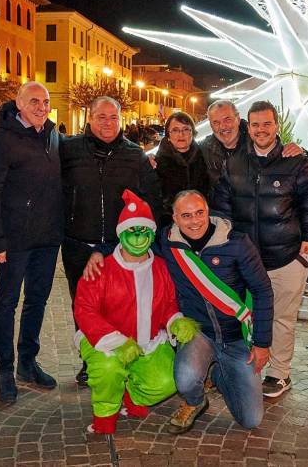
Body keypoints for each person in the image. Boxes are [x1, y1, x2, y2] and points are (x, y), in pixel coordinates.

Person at [84, 190, 273, 433]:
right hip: (199, 334)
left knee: (251, 420)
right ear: (174, 217)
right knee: (183, 379)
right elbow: (134, 237)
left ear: (208, 211)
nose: (195, 221)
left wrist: (262, 343)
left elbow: (262, 291)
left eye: (199, 213)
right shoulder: (167, 241)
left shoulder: (236, 243)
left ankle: (215, 374)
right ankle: (195, 400)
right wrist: (99, 251)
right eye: (186, 215)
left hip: (236, 337)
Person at [211, 100, 308, 399]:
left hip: (286, 256)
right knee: (243, 314)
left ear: (276, 126)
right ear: (248, 127)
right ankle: (248, 368)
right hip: (246, 259)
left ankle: (279, 373)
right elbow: (222, 205)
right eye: (256, 124)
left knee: (282, 318)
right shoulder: (234, 163)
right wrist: (224, 243)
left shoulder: (296, 161)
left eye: (267, 124)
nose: (261, 130)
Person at [74, 190, 196, 435]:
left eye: (144, 231)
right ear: (121, 234)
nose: (138, 237)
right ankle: (104, 418)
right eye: (132, 231)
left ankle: (130, 393)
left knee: (169, 381)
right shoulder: (101, 268)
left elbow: (168, 303)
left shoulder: (161, 267)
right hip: (103, 342)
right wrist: (118, 342)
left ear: (152, 234)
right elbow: (85, 311)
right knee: (108, 369)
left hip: (147, 341)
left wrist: (175, 321)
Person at [60, 96, 162, 386]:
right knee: (83, 306)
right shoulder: (68, 150)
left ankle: (122, 357)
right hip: (79, 243)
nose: (107, 123)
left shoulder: (134, 155)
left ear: (121, 119)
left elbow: (152, 196)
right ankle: (90, 360)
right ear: (89, 118)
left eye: (113, 117)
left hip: (120, 248)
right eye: (101, 117)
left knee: (120, 304)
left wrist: (145, 238)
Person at [0, 82, 63, 403]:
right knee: (6, 303)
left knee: (37, 301)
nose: (41, 107)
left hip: (46, 238)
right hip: (13, 240)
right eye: (34, 101)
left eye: (46, 102)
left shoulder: (53, 137)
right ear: (19, 103)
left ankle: (27, 362)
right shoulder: (1, 139)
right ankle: (4, 368)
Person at [200, 100, 304, 193]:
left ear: (238, 119)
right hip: (221, 211)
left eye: (227, 120)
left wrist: (301, 151)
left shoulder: (258, 141)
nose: (222, 126)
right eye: (216, 122)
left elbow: (278, 153)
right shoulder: (205, 149)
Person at [154, 111, 210, 222]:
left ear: (192, 133)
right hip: (168, 223)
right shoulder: (156, 163)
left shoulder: (205, 157)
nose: (181, 134)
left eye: (186, 129)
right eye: (175, 130)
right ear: (168, 135)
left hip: (201, 221)